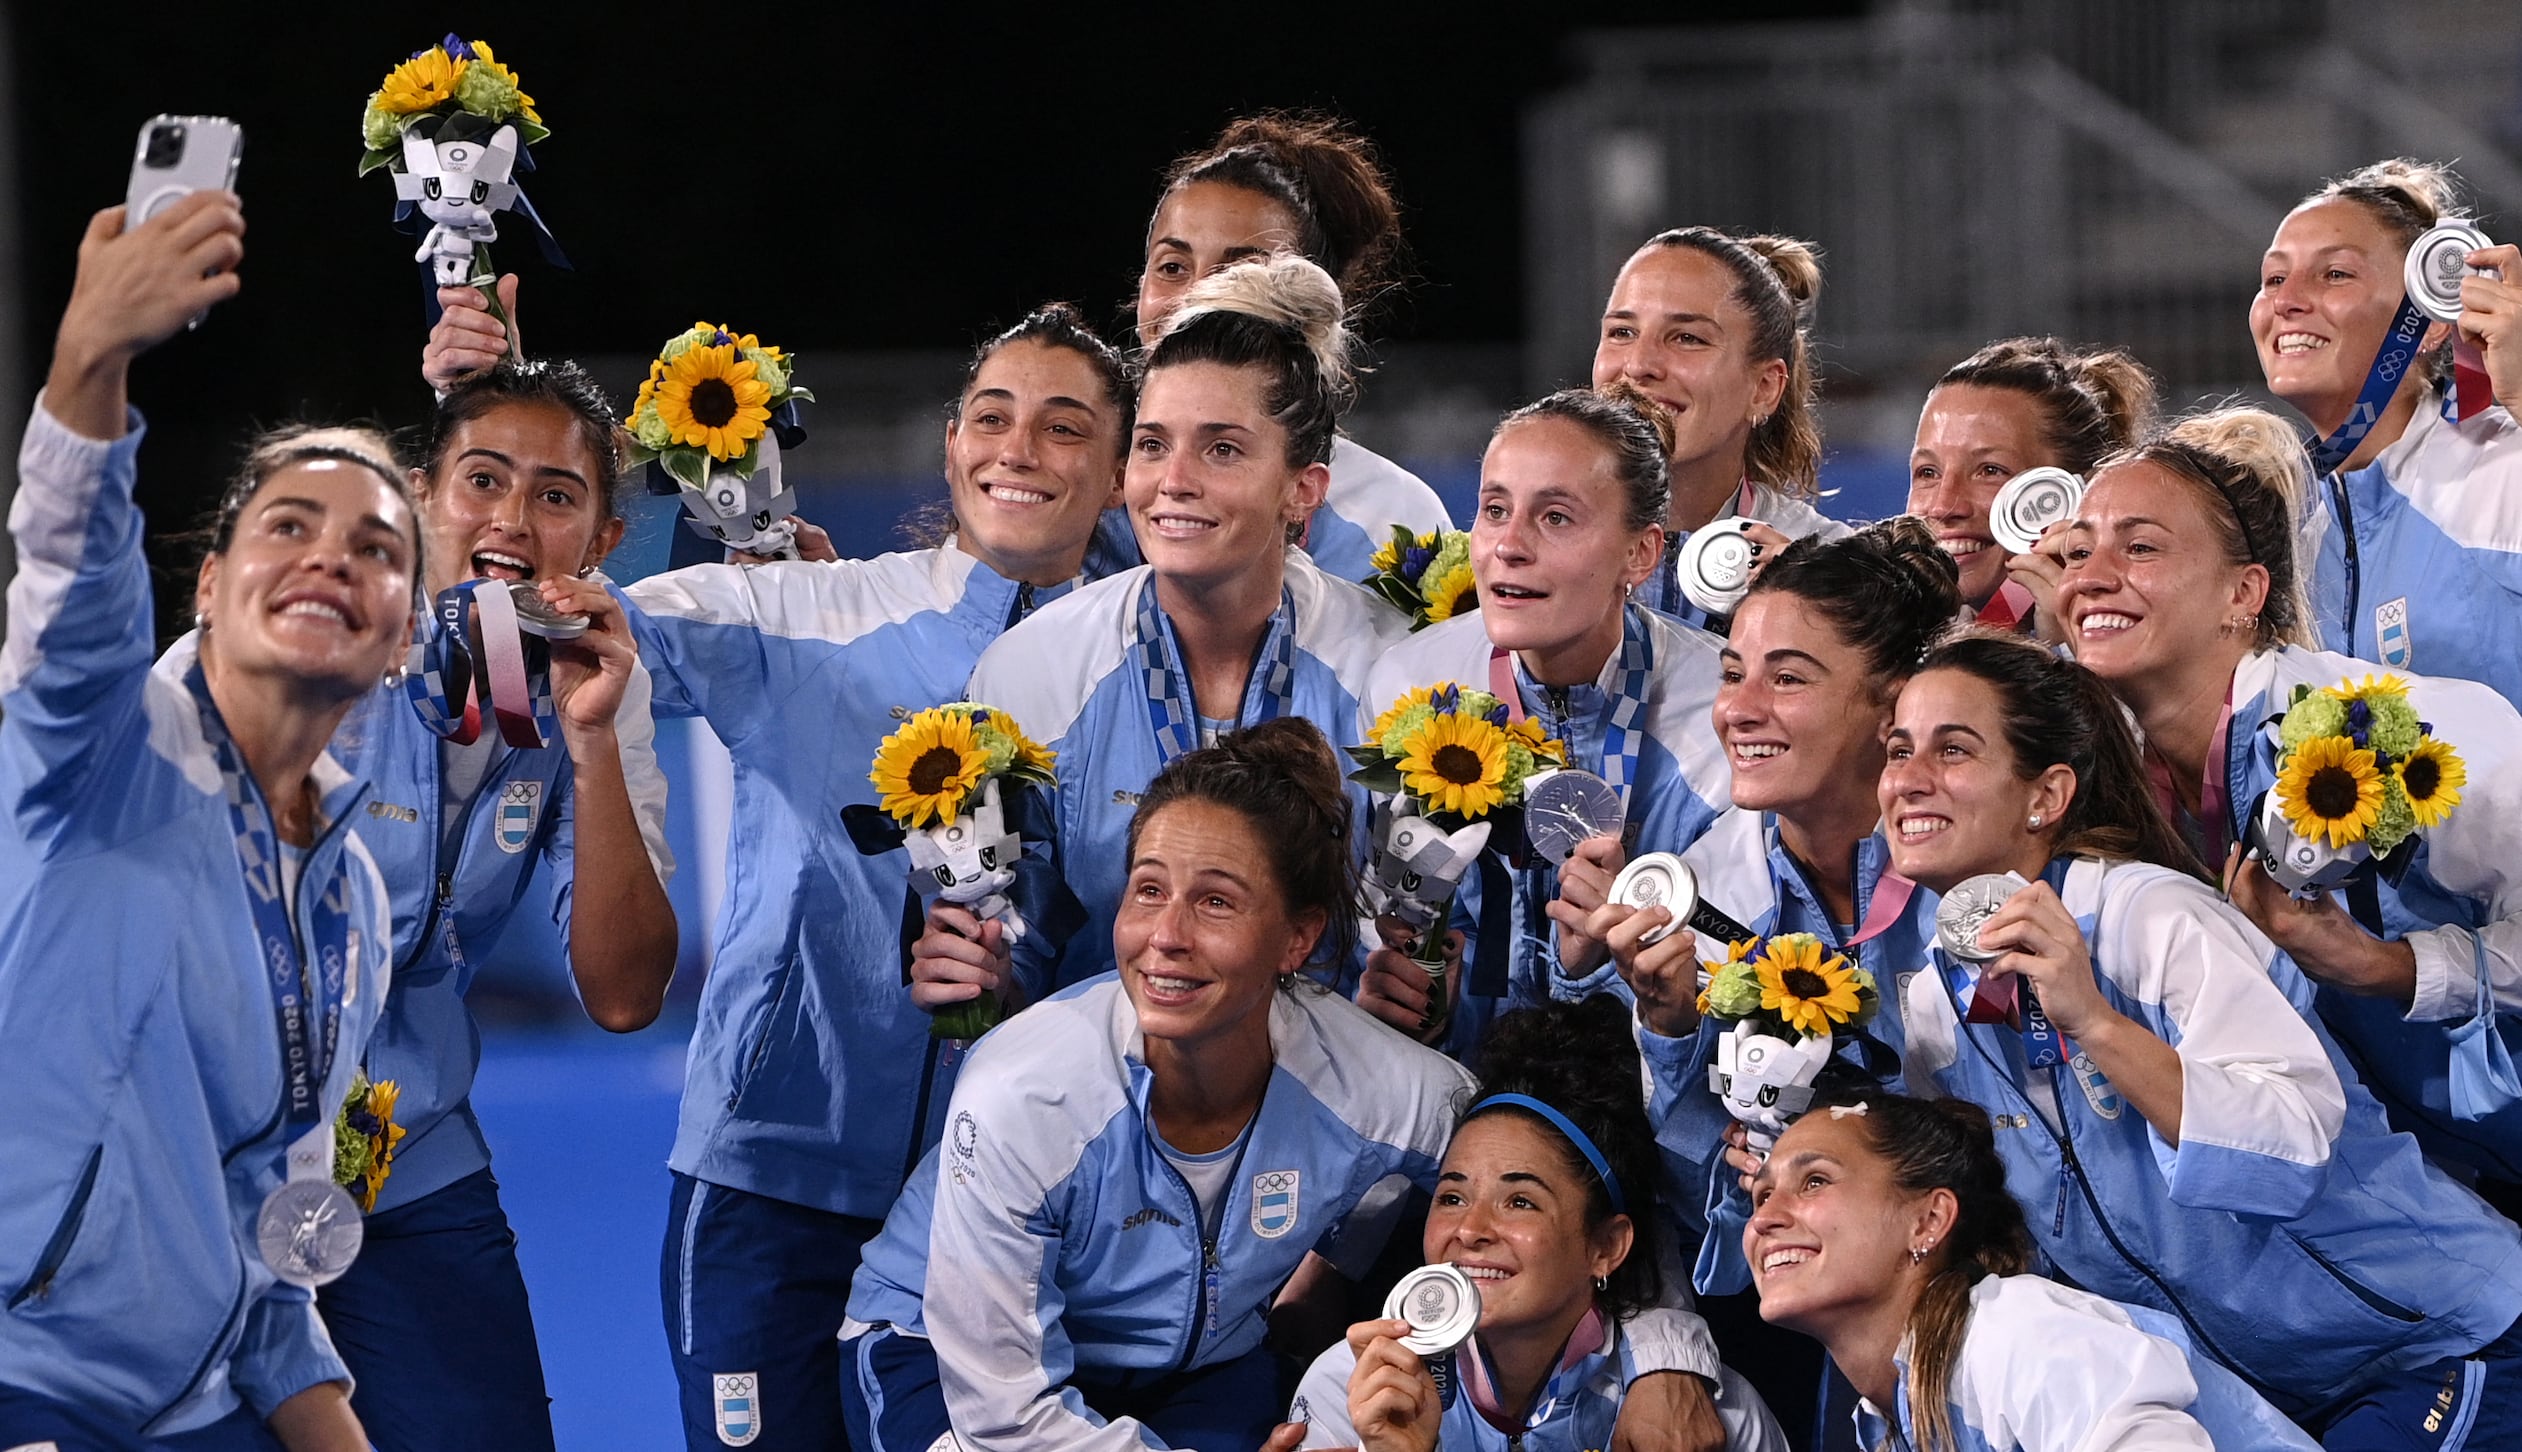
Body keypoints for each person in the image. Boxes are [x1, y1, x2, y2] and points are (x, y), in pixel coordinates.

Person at [613, 304, 1136, 1450]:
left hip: (1004, 1207)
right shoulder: (819, 610)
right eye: (991, 418)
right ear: (951, 445)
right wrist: (660, 492)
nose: (1018, 448)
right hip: (770, 1192)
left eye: (1063, 428)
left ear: (1117, 474)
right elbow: (601, 633)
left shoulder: (1146, 670)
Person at [1874, 629, 2522, 1441]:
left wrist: (2096, 1022)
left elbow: (2291, 1145)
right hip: (2263, 1404)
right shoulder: (1938, 1003)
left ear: (2046, 796)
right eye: (1899, 751)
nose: (1908, 780)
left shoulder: (2150, 918)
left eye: (1953, 750)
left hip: (2433, 1341)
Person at [0, 195, 401, 1450]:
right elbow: (71, 587)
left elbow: (273, 1210)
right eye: (289, 526)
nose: (331, 557)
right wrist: (91, 364)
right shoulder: (98, 745)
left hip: (198, 1405)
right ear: (210, 585)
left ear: (398, 640)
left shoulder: (354, 902)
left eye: (378, 550)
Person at [841, 720, 1478, 1452]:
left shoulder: (1372, 1082)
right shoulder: (1025, 1091)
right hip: (938, 1355)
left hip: (1199, 1374)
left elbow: (1509, 1162)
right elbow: (1007, 1423)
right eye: (1148, 890)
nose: (1165, 935)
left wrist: (1342, 1257)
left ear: (1297, 938)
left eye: (1214, 902)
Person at [310, 321, 678, 1452]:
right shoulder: (308, 637)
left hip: (406, 1171)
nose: (512, 521)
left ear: (605, 537)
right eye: (480, 481)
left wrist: (592, 743)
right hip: (212, 1165)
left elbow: (624, 996)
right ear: (418, 495)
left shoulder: (590, 693)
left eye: (557, 495)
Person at [2054, 407, 2522, 1194]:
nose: (2092, 575)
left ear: (2244, 591)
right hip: (2420, 1196)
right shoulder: (2091, 782)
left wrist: (2395, 968)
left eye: (2139, 547)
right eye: (2076, 550)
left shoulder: (2403, 735)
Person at [930, 255, 1411, 1002]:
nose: (1174, 480)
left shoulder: (1391, 669)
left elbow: (1424, 931)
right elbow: (1027, 941)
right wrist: (989, 973)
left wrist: (1420, 988)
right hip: (1105, 1091)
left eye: (1222, 449)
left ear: (1302, 489)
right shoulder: (1032, 671)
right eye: (1153, 444)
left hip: (1329, 1091)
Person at [1353, 386, 1728, 1058]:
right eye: (1495, 510)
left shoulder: (1719, 715)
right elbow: (1387, 914)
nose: (1509, 546)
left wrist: (1593, 971)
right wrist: (1416, 997)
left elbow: (1728, 978)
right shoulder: (1412, 684)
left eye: (1555, 518)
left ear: (1640, 555)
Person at [1292, 1000, 1785, 1452]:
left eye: (1520, 1201)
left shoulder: (1712, 1418)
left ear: (1607, 1246)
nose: (1470, 1229)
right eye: (1452, 1196)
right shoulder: (1353, 1389)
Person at [1745, 1093, 2320, 1450]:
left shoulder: (2016, 1334)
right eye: (1761, 1195)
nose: (1766, 1218)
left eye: (1814, 1180)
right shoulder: (1890, 1413)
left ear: (1928, 1219)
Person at [1095, 110, 1451, 583]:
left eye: (1238, 273)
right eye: (1173, 267)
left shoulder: (1390, 518)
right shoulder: (1080, 484)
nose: (1195, 300)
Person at [2249, 158, 2522, 709]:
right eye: (2275, 278)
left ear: (2433, 318)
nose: (2286, 301)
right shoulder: (2272, 530)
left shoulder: (2502, 470)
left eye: (2335, 274)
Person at [1591, 226, 1851, 632]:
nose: (1639, 365)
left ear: (1764, 389)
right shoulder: (1517, 549)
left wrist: (1815, 612)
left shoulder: (1831, 571)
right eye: (1622, 332)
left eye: (1687, 338)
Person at [1906, 337, 2155, 634]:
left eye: (1989, 470)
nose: (1943, 506)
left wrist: (2066, 653)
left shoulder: (2145, 649)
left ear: (2080, 493)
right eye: (1928, 472)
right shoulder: (1887, 645)